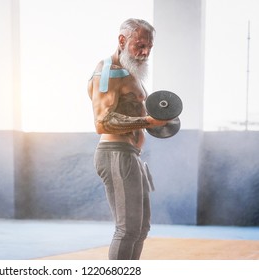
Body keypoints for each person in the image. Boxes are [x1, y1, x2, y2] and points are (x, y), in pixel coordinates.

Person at [87, 18, 167, 260]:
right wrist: (147, 122)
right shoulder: (107, 72)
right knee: (127, 229)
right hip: (115, 153)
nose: (144, 53)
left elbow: (141, 114)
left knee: (141, 229)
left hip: (131, 155)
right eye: (139, 45)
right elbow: (102, 123)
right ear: (122, 40)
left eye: (149, 48)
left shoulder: (131, 73)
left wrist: (161, 120)